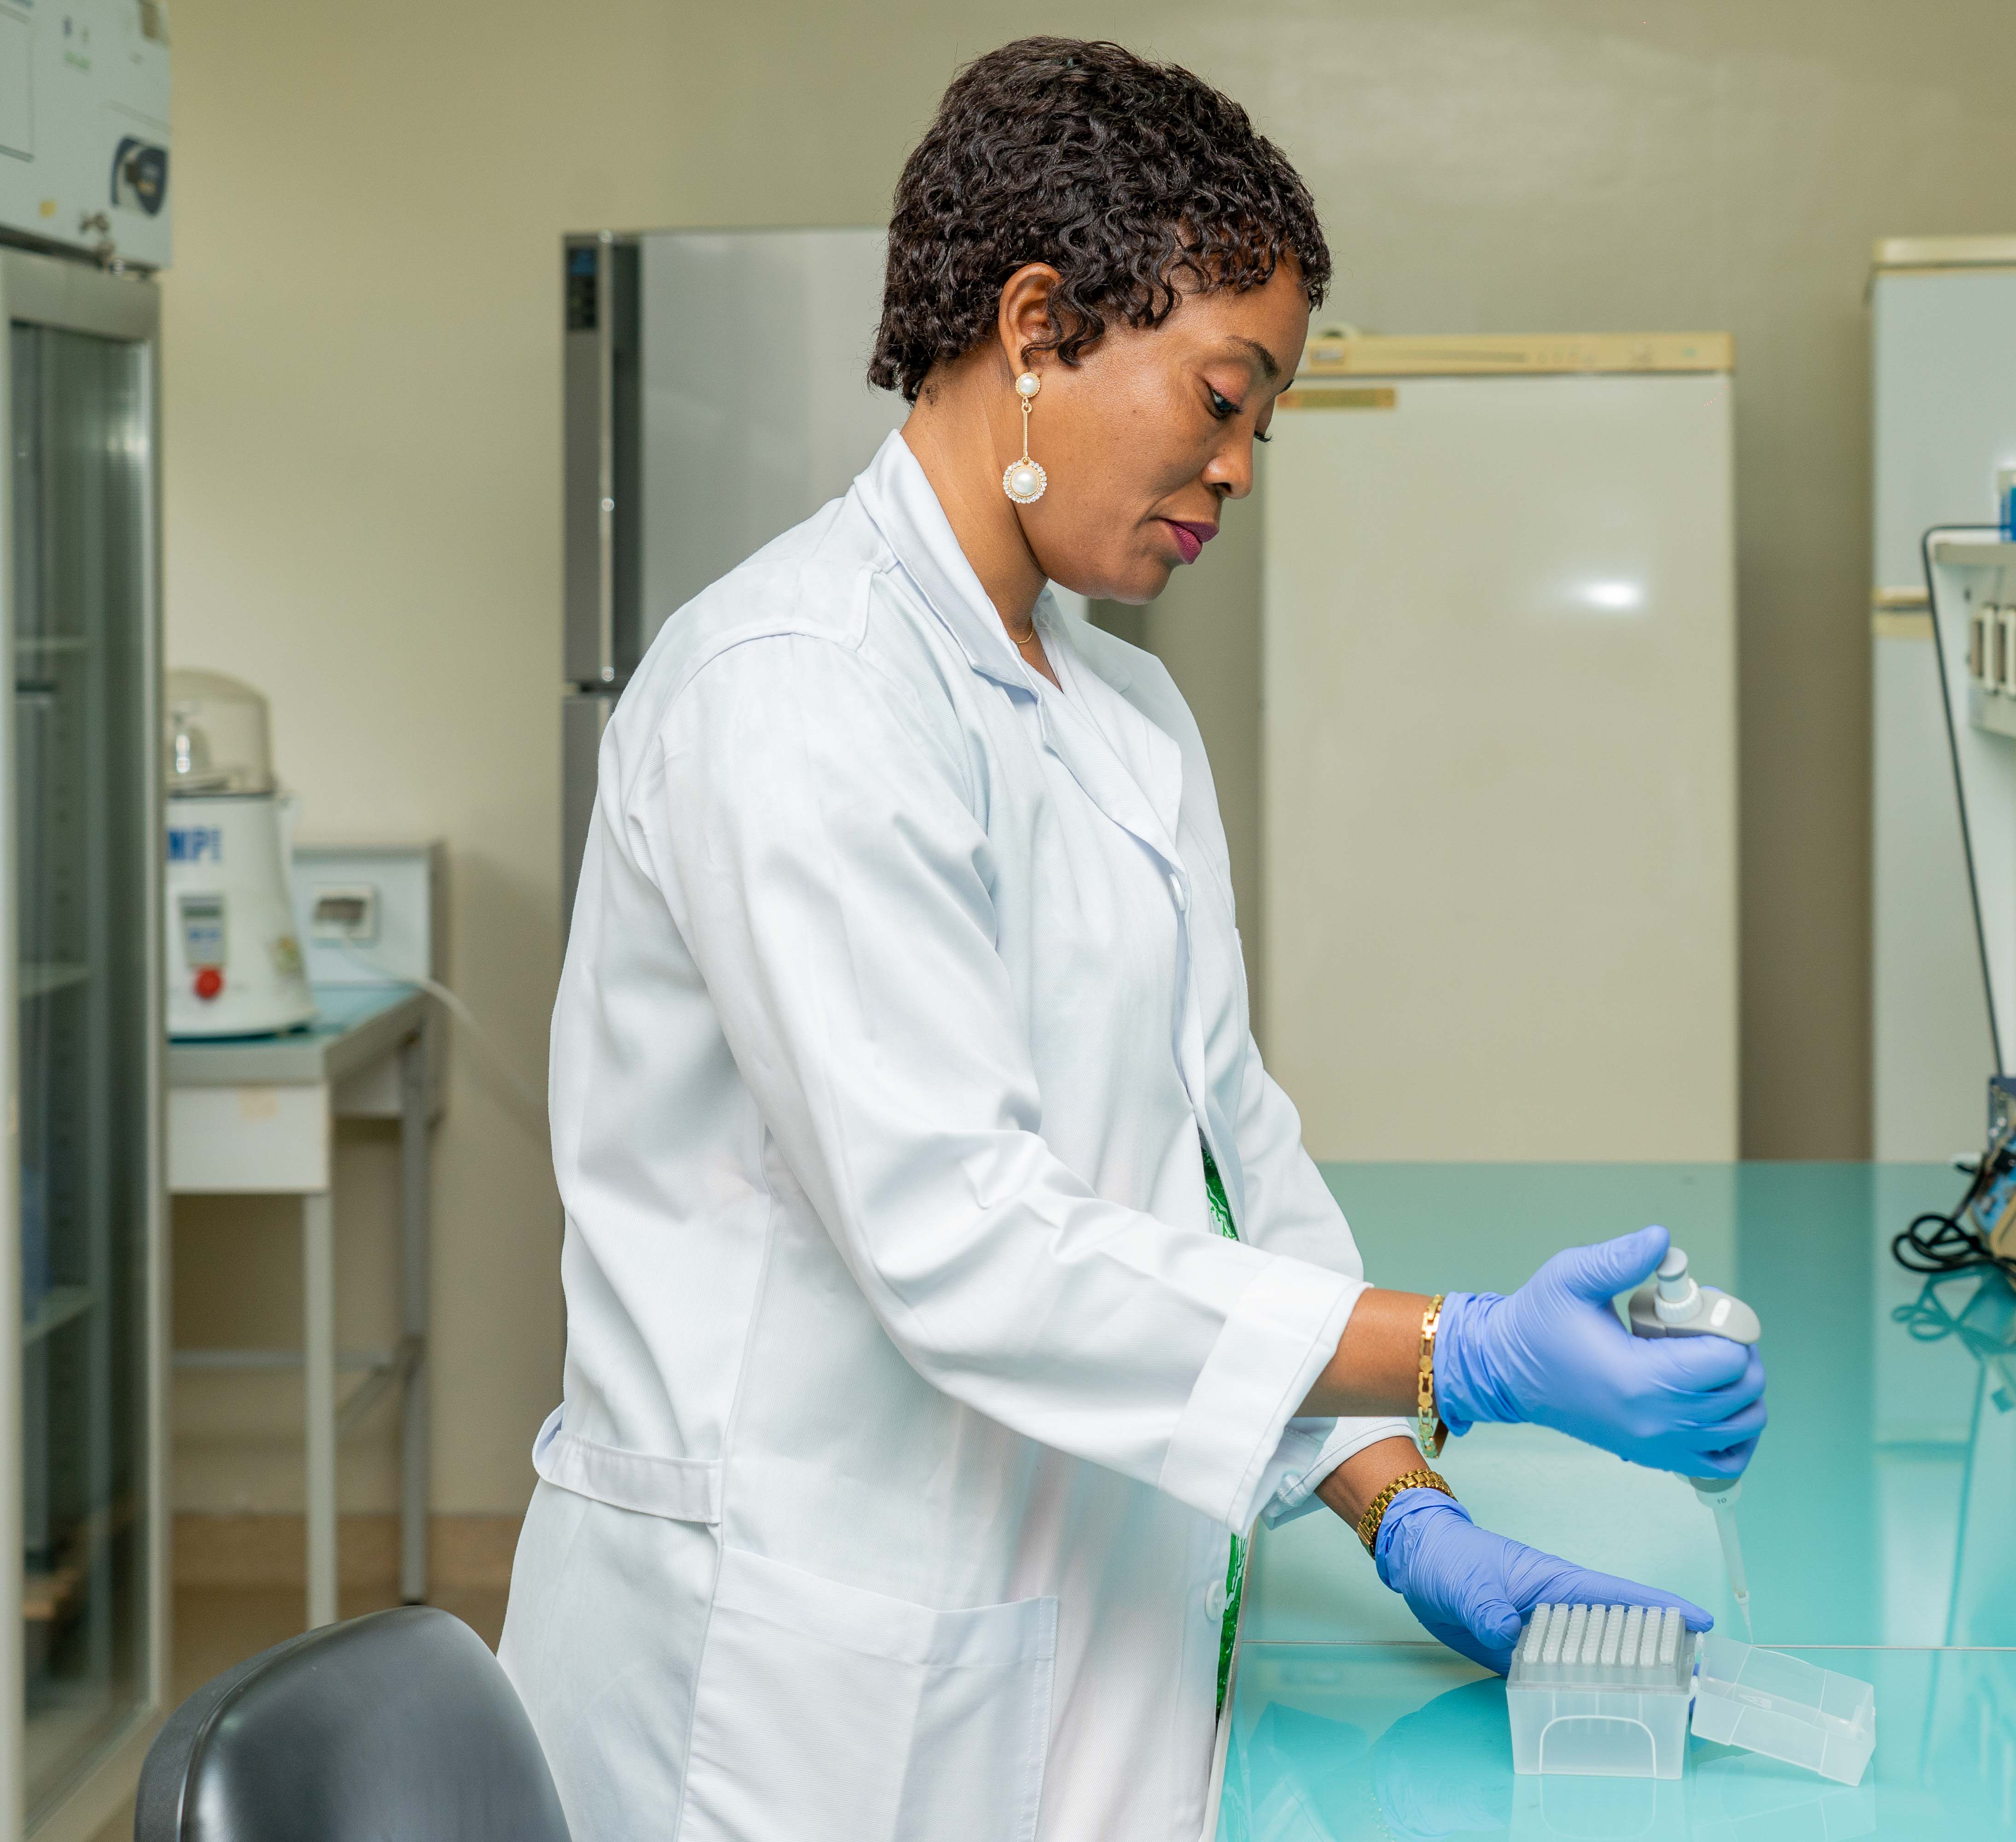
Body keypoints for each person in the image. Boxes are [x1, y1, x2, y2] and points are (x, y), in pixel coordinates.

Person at [497, 37, 1765, 1842]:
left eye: (1265, 424)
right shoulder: (796, 692)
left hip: (1068, 1626)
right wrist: (1456, 1347)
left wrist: (1403, 1502)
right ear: (1037, 325)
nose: (1239, 468)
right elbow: (963, 1243)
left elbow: (1226, 1163)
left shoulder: (1123, 720)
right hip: (793, 1683)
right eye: (1223, 398)